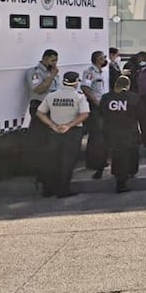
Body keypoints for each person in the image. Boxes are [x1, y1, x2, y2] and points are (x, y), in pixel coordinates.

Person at [35, 71, 89, 198]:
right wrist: (69, 125)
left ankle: (48, 189)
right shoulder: (79, 97)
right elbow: (85, 114)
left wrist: (52, 125)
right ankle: (63, 190)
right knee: (67, 162)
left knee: (52, 160)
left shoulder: (52, 95)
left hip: (54, 131)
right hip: (72, 132)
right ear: (76, 82)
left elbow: (40, 113)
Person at [100, 75, 144, 193]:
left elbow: (102, 113)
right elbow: (141, 115)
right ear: (128, 86)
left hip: (112, 131)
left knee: (118, 155)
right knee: (131, 153)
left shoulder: (106, 98)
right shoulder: (134, 98)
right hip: (130, 131)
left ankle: (119, 176)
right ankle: (127, 176)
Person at [25, 49, 61, 181]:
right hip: (40, 107)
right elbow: (39, 89)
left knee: (51, 140)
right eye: (52, 60)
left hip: (53, 107)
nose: (55, 63)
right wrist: (51, 75)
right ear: (45, 59)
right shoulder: (35, 72)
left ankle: (49, 169)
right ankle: (38, 171)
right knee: (39, 139)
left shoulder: (53, 71)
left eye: (56, 60)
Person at [80, 51, 110, 178]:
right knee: (96, 134)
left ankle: (100, 160)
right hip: (95, 106)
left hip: (102, 105)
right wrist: (96, 102)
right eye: (103, 58)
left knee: (101, 134)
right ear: (98, 59)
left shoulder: (101, 72)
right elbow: (85, 88)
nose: (105, 60)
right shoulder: (90, 72)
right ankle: (93, 162)